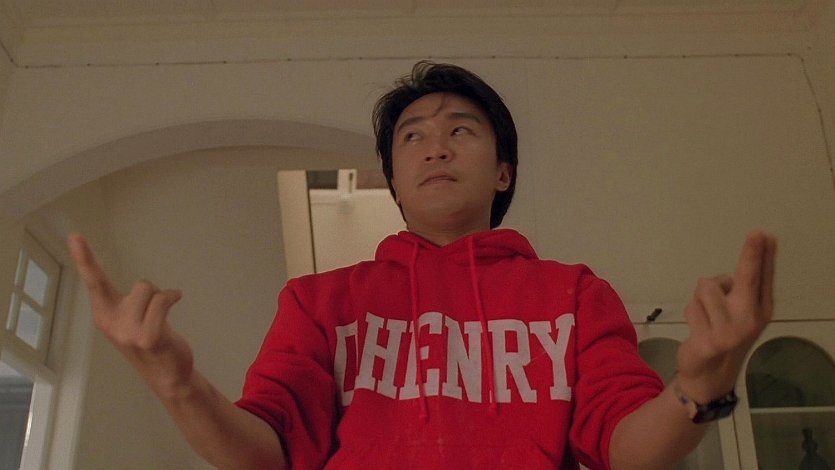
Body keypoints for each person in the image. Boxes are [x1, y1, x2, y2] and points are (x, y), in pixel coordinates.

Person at [69, 61, 777, 469]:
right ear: (395, 182)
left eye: (460, 130)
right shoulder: (319, 301)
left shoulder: (571, 294)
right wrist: (178, 386)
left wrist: (699, 387)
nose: (435, 147)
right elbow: (268, 451)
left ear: (503, 172)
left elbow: (627, 446)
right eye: (412, 137)